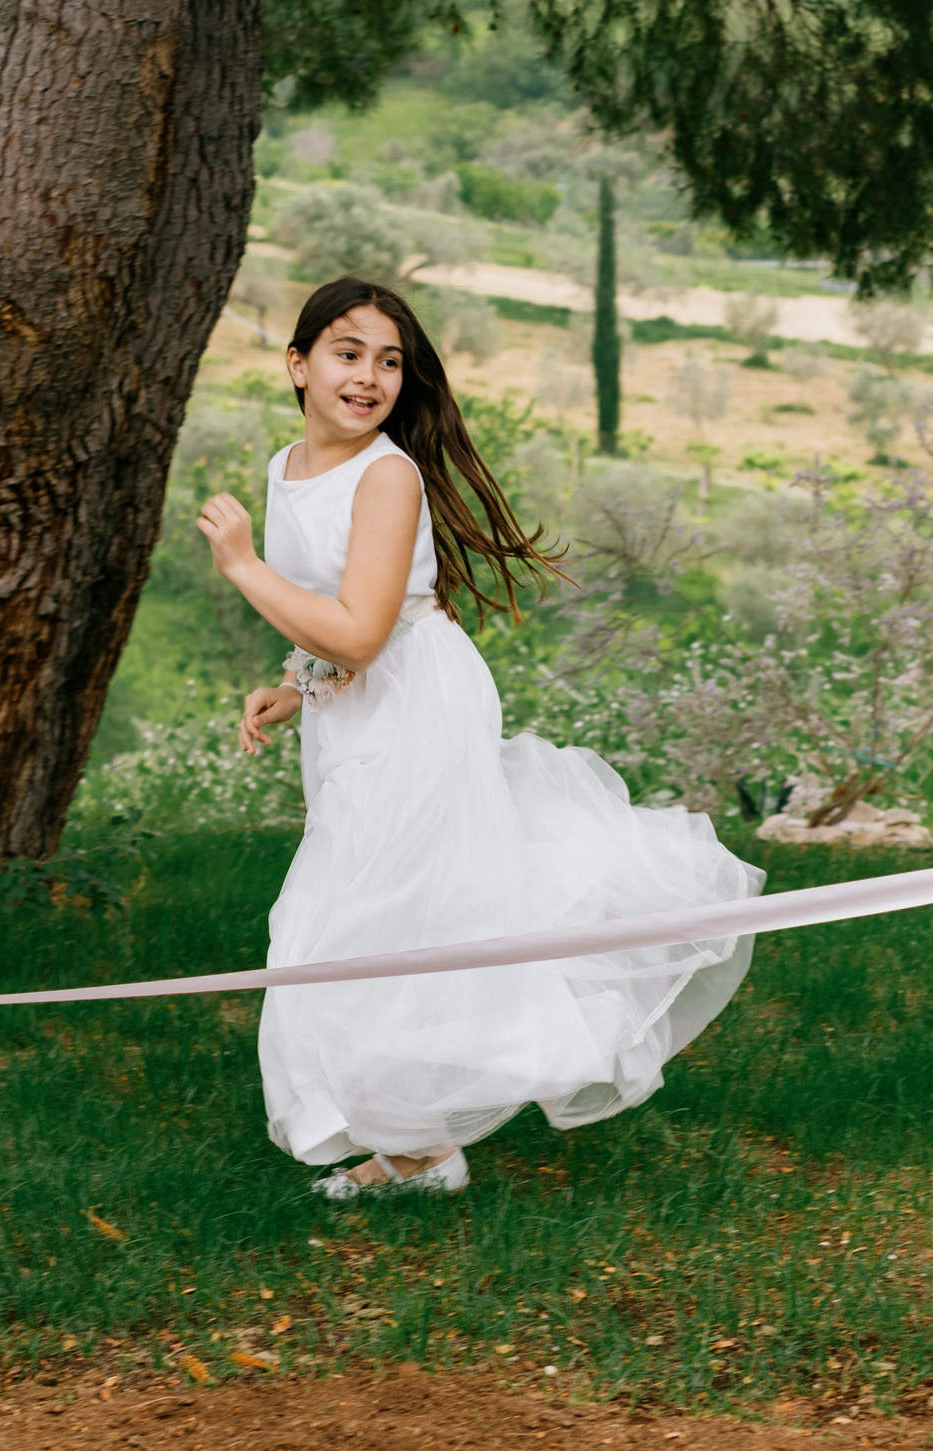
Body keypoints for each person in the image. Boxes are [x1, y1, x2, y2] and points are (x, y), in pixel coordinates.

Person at [197, 277, 762, 1200]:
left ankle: (424, 1140)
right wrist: (295, 686)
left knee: (358, 917)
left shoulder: (387, 474)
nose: (370, 376)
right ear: (297, 365)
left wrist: (242, 565)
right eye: (348, 353)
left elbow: (366, 631)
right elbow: (331, 626)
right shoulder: (283, 465)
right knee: (392, 911)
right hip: (353, 711)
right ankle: (419, 1147)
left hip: (416, 705)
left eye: (390, 361)